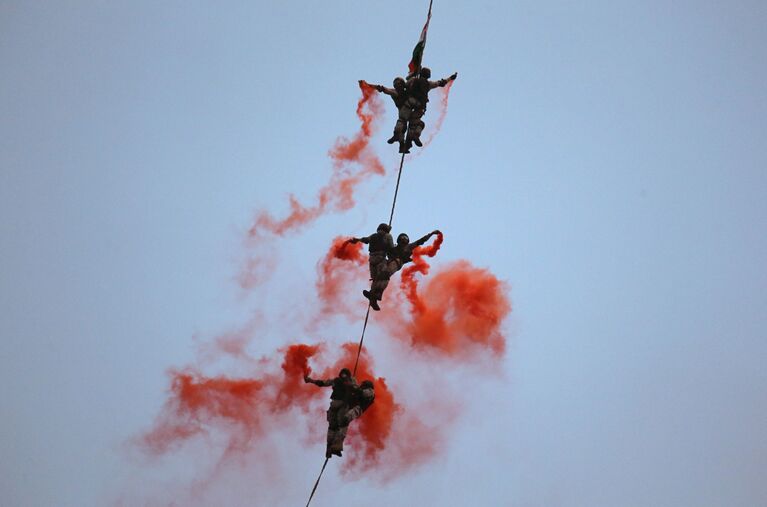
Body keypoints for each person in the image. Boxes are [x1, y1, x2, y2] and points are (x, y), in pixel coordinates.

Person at [364, 229, 441, 310]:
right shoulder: (393, 248)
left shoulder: (409, 247)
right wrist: (383, 237)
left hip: (397, 263)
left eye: (405, 238)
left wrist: (431, 233)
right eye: (402, 237)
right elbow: (384, 247)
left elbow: (422, 240)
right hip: (387, 262)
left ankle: (377, 294)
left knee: (385, 274)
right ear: (399, 240)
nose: (404, 239)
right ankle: (373, 296)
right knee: (379, 276)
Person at [304, 368, 358, 458]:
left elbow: (322, 383)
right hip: (343, 405)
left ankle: (329, 448)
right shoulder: (350, 381)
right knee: (342, 426)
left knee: (332, 428)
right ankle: (336, 447)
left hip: (333, 405)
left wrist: (310, 380)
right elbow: (357, 390)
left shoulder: (335, 381)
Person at [403, 67, 458, 151]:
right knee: (417, 124)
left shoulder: (414, 80)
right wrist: (450, 78)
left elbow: (405, 86)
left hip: (409, 104)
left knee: (411, 123)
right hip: (419, 106)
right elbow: (440, 83)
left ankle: (409, 141)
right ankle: (414, 137)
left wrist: (411, 77)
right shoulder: (428, 84)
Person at [327, 380, 375, 457]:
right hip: (350, 407)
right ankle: (333, 447)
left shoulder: (370, 391)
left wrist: (354, 387)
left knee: (344, 420)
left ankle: (336, 446)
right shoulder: (361, 390)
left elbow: (363, 393)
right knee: (336, 424)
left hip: (357, 408)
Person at [368, 77, 411, 152]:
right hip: (403, 111)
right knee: (401, 126)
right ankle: (401, 143)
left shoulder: (407, 91)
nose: (398, 86)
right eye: (396, 85)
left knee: (409, 127)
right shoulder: (394, 92)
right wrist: (369, 86)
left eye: (399, 84)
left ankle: (403, 141)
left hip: (411, 111)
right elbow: (384, 89)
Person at [350, 223, 394, 287]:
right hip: (381, 259)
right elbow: (391, 248)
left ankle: (372, 292)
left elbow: (365, 240)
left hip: (372, 260)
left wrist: (357, 240)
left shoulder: (373, 236)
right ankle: (378, 291)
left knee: (375, 279)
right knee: (383, 276)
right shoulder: (388, 236)